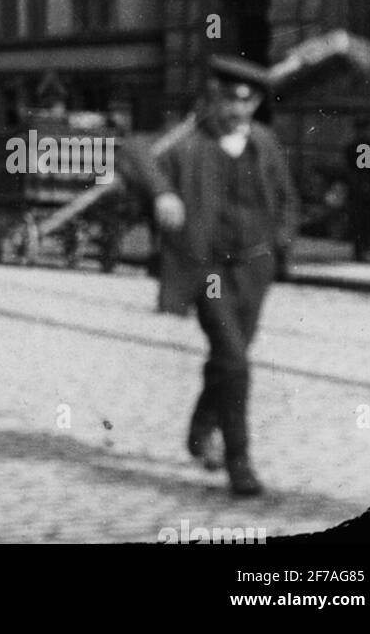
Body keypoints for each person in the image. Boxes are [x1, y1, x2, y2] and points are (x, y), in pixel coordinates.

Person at [142, 55, 297, 497]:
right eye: (229, 100)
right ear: (213, 100)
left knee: (233, 358)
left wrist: (280, 242)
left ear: (257, 104)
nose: (237, 110)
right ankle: (239, 461)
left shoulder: (265, 143)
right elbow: (133, 152)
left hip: (255, 267)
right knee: (234, 359)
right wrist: (162, 192)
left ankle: (202, 422)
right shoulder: (188, 142)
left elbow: (287, 199)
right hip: (208, 269)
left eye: (247, 102)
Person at [343, 116, 370, 262]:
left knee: (357, 220)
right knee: (363, 219)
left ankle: (359, 250)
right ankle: (362, 249)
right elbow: (366, 166)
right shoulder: (367, 146)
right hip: (363, 185)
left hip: (355, 185)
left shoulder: (351, 146)